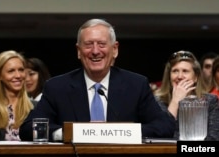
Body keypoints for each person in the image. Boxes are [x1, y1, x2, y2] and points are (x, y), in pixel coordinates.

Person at [20, 18, 176, 142]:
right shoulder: (57, 87)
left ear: (114, 49)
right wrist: (67, 134)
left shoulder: (136, 84)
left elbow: (165, 126)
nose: (95, 51)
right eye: (88, 45)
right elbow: (29, 128)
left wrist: (121, 133)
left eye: (102, 44)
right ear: (79, 51)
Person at [154, 50, 219, 140]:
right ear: (169, 76)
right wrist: (175, 101)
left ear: (195, 77)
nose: (180, 76)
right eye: (175, 71)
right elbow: (159, 135)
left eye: (185, 71)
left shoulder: (210, 101)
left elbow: (214, 138)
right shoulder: (157, 101)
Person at [0, 50, 35, 141]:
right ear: (0, 76)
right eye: (11, 71)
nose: (18, 75)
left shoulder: (36, 107)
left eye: (21, 70)